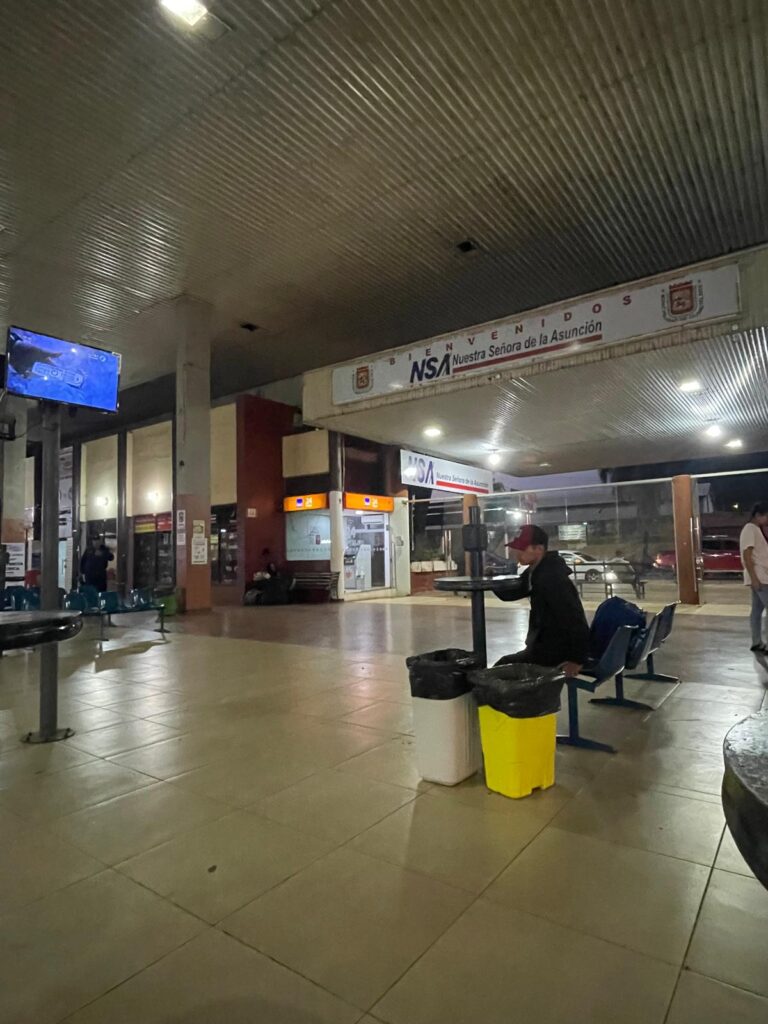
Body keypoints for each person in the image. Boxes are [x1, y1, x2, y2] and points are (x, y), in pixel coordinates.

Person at [493, 524, 590, 677]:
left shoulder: (552, 577)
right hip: (542, 647)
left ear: (539, 549)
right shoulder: (536, 571)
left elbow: (575, 619)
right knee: (503, 666)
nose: (516, 552)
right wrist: (492, 580)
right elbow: (512, 593)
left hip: (555, 652)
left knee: (501, 671)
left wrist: (576, 660)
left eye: (522, 548)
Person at [739, 502, 768, 653]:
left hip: (760, 576)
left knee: (757, 610)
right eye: (766, 516)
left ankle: (757, 642)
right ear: (758, 515)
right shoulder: (750, 529)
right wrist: (754, 578)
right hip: (760, 577)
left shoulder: (756, 529)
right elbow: (747, 555)